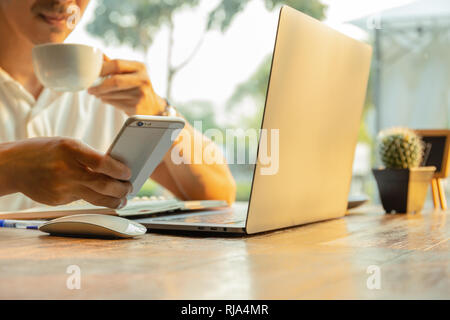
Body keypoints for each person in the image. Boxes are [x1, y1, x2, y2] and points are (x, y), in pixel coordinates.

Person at [0, 0, 236, 211]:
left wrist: (158, 111)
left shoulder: (108, 91)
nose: (62, 2)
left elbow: (219, 195)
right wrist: (11, 167)